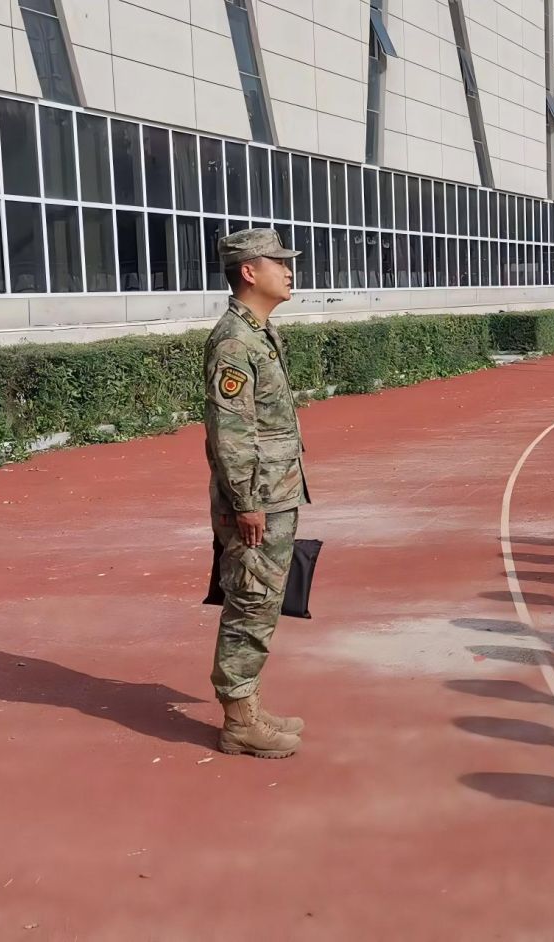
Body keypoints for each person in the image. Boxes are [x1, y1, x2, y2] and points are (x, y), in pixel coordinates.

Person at [205, 228, 310, 759]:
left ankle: (249, 705)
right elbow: (231, 431)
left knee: (263, 602)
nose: (289, 271)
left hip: (275, 492)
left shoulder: (258, 332)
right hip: (257, 500)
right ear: (249, 271)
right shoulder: (235, 341)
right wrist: (247, 503)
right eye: (278, 262)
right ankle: (239, 722)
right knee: (250, 602)